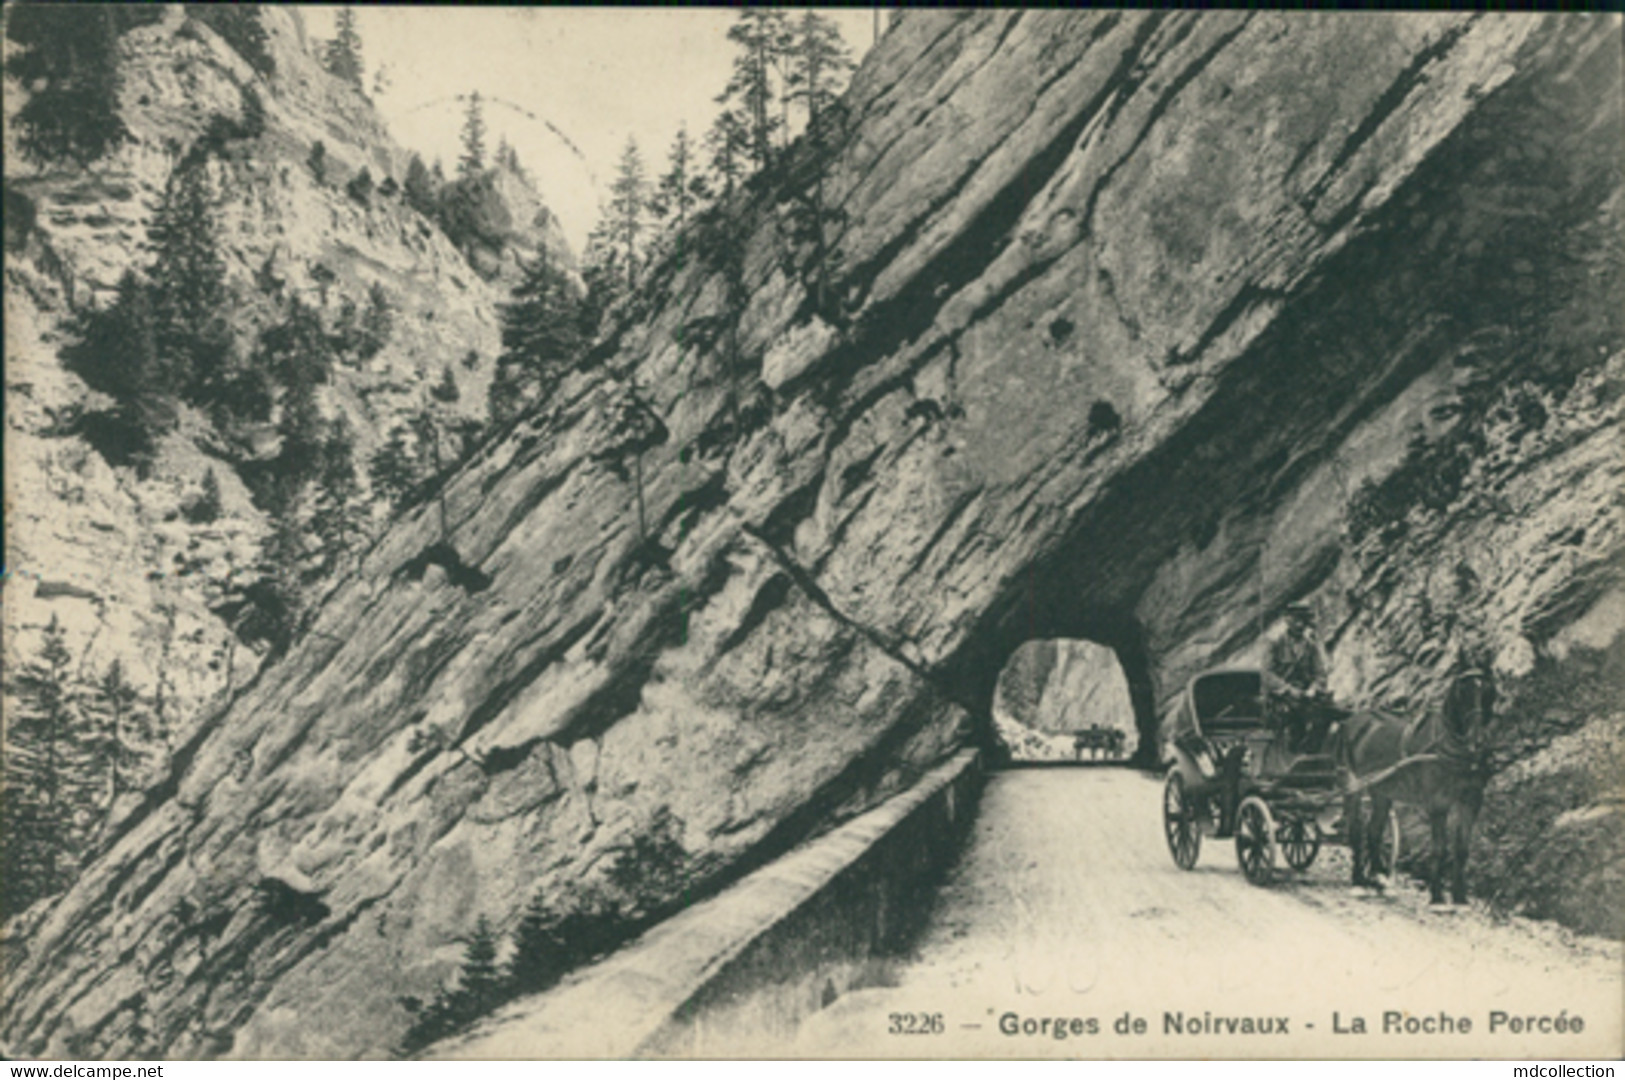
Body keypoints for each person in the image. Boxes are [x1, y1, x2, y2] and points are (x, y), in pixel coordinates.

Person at [1265, 601, 1333, 753]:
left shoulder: (1310, 645)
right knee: (1293, 718)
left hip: (1305, 695)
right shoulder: (1275, 643)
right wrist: (1288, 690)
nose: (1300, 624)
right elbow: (1267, 674)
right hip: (1280, 698)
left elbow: (1320, 673)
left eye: (1303, 620)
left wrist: (1314, 688)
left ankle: (1310, 752)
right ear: (1288, 621)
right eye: (1296, 620)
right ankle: (1294, 753)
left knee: (1326, 713)